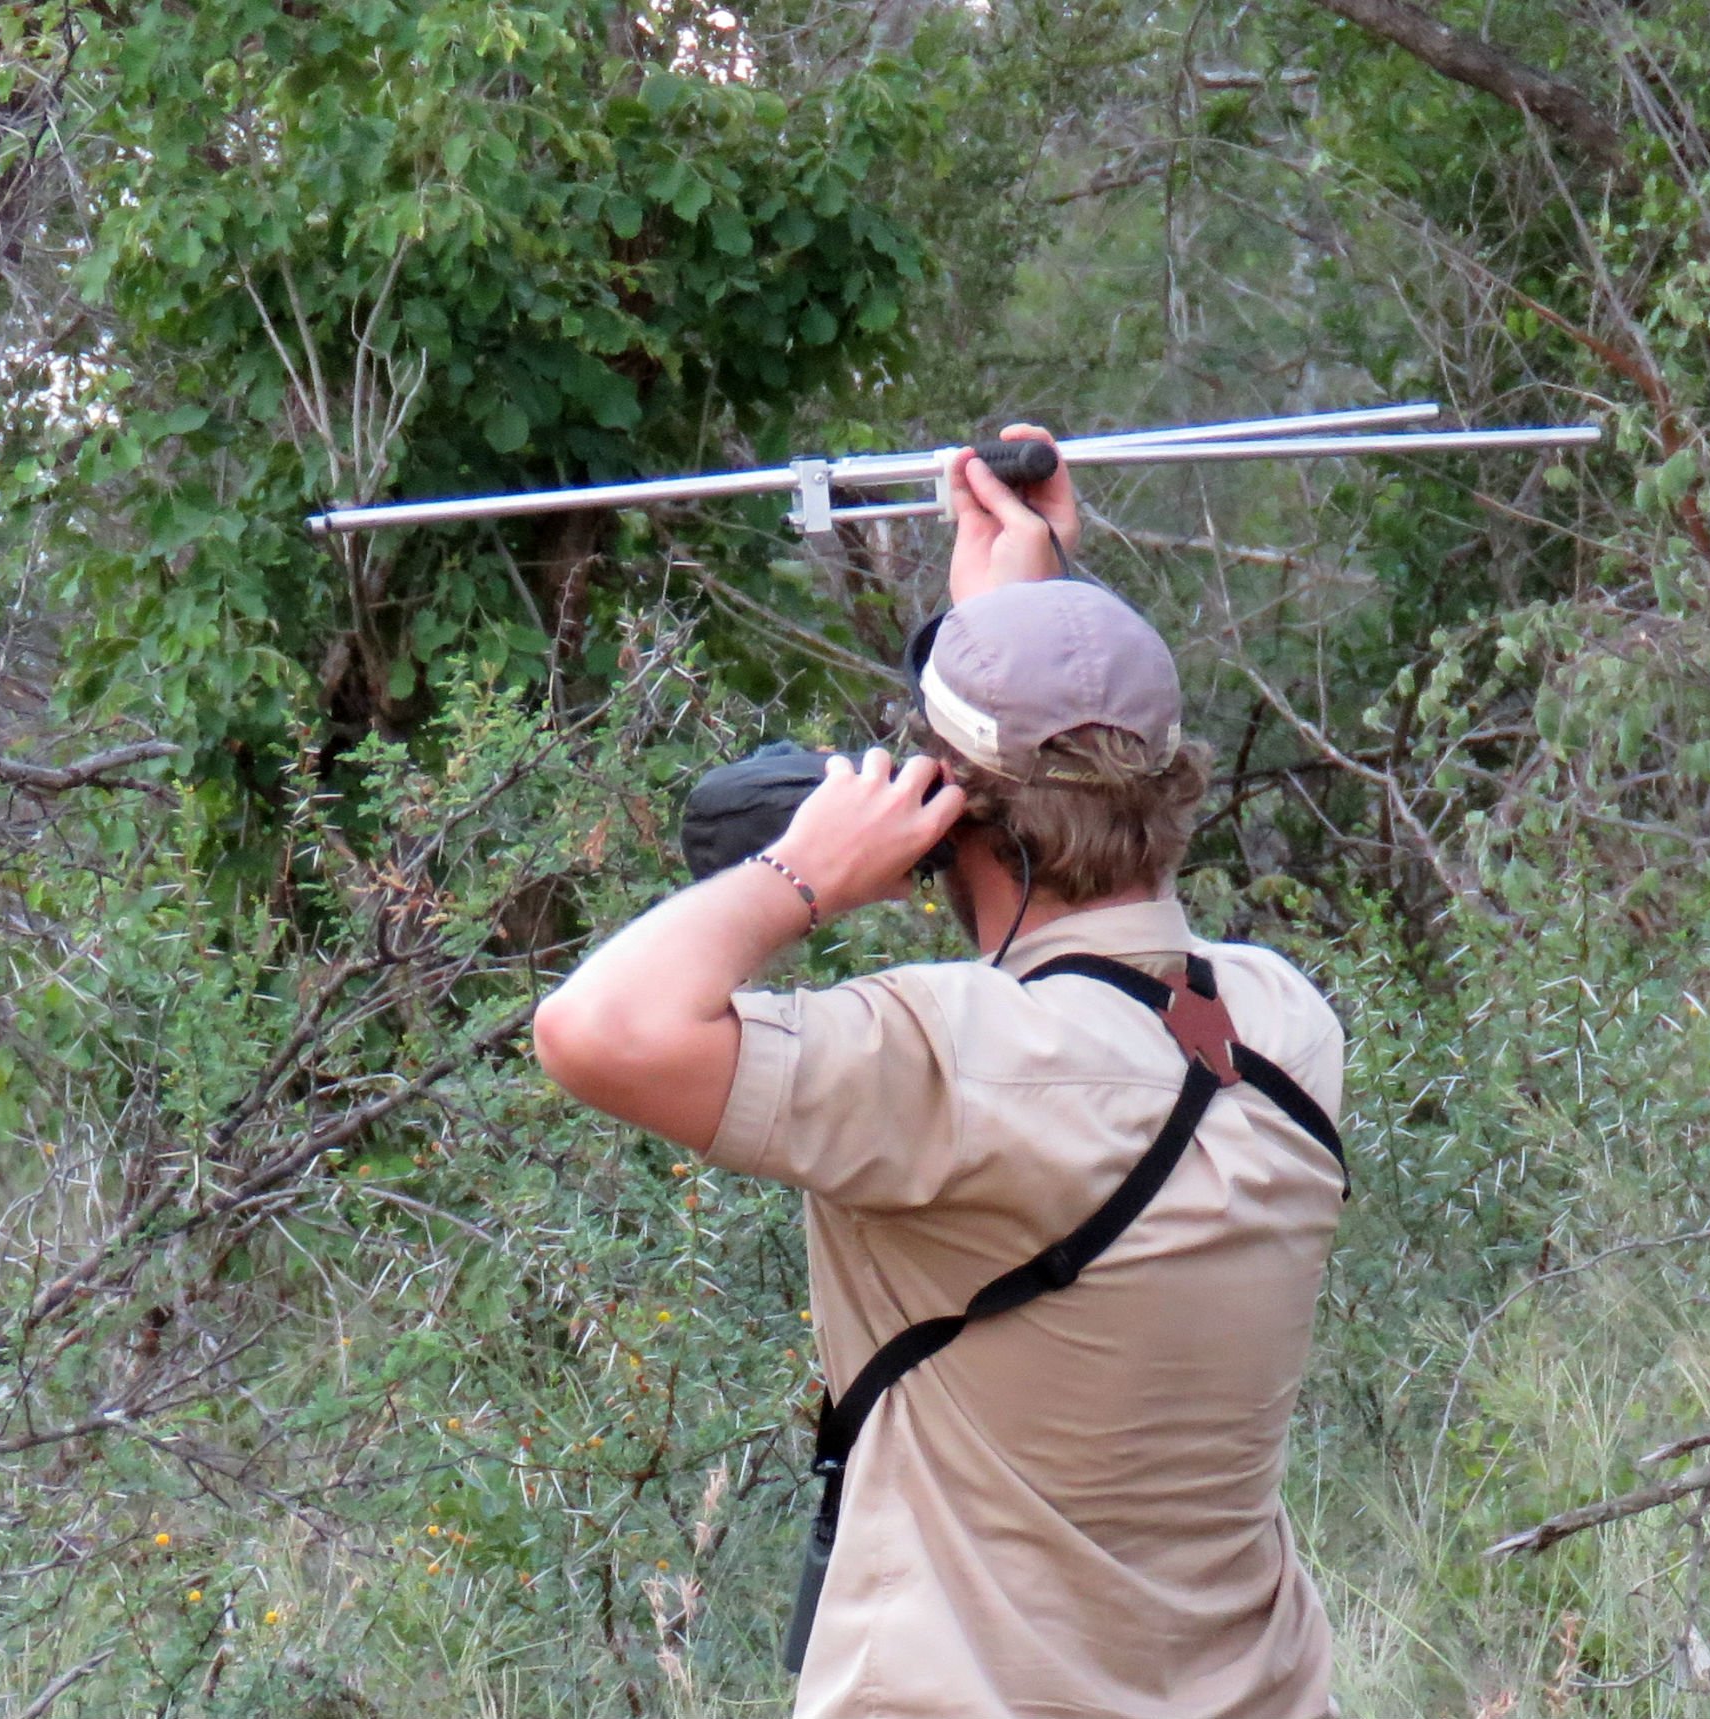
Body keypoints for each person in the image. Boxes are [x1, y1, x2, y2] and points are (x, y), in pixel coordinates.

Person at [530, 428, 1349, 1718]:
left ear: (941, 813)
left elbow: (597, 1030)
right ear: (1168, 781)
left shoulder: (952, 1065)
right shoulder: (1287, 1025)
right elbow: (1088, 813)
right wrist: (1034, 612)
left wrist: (801, 873)